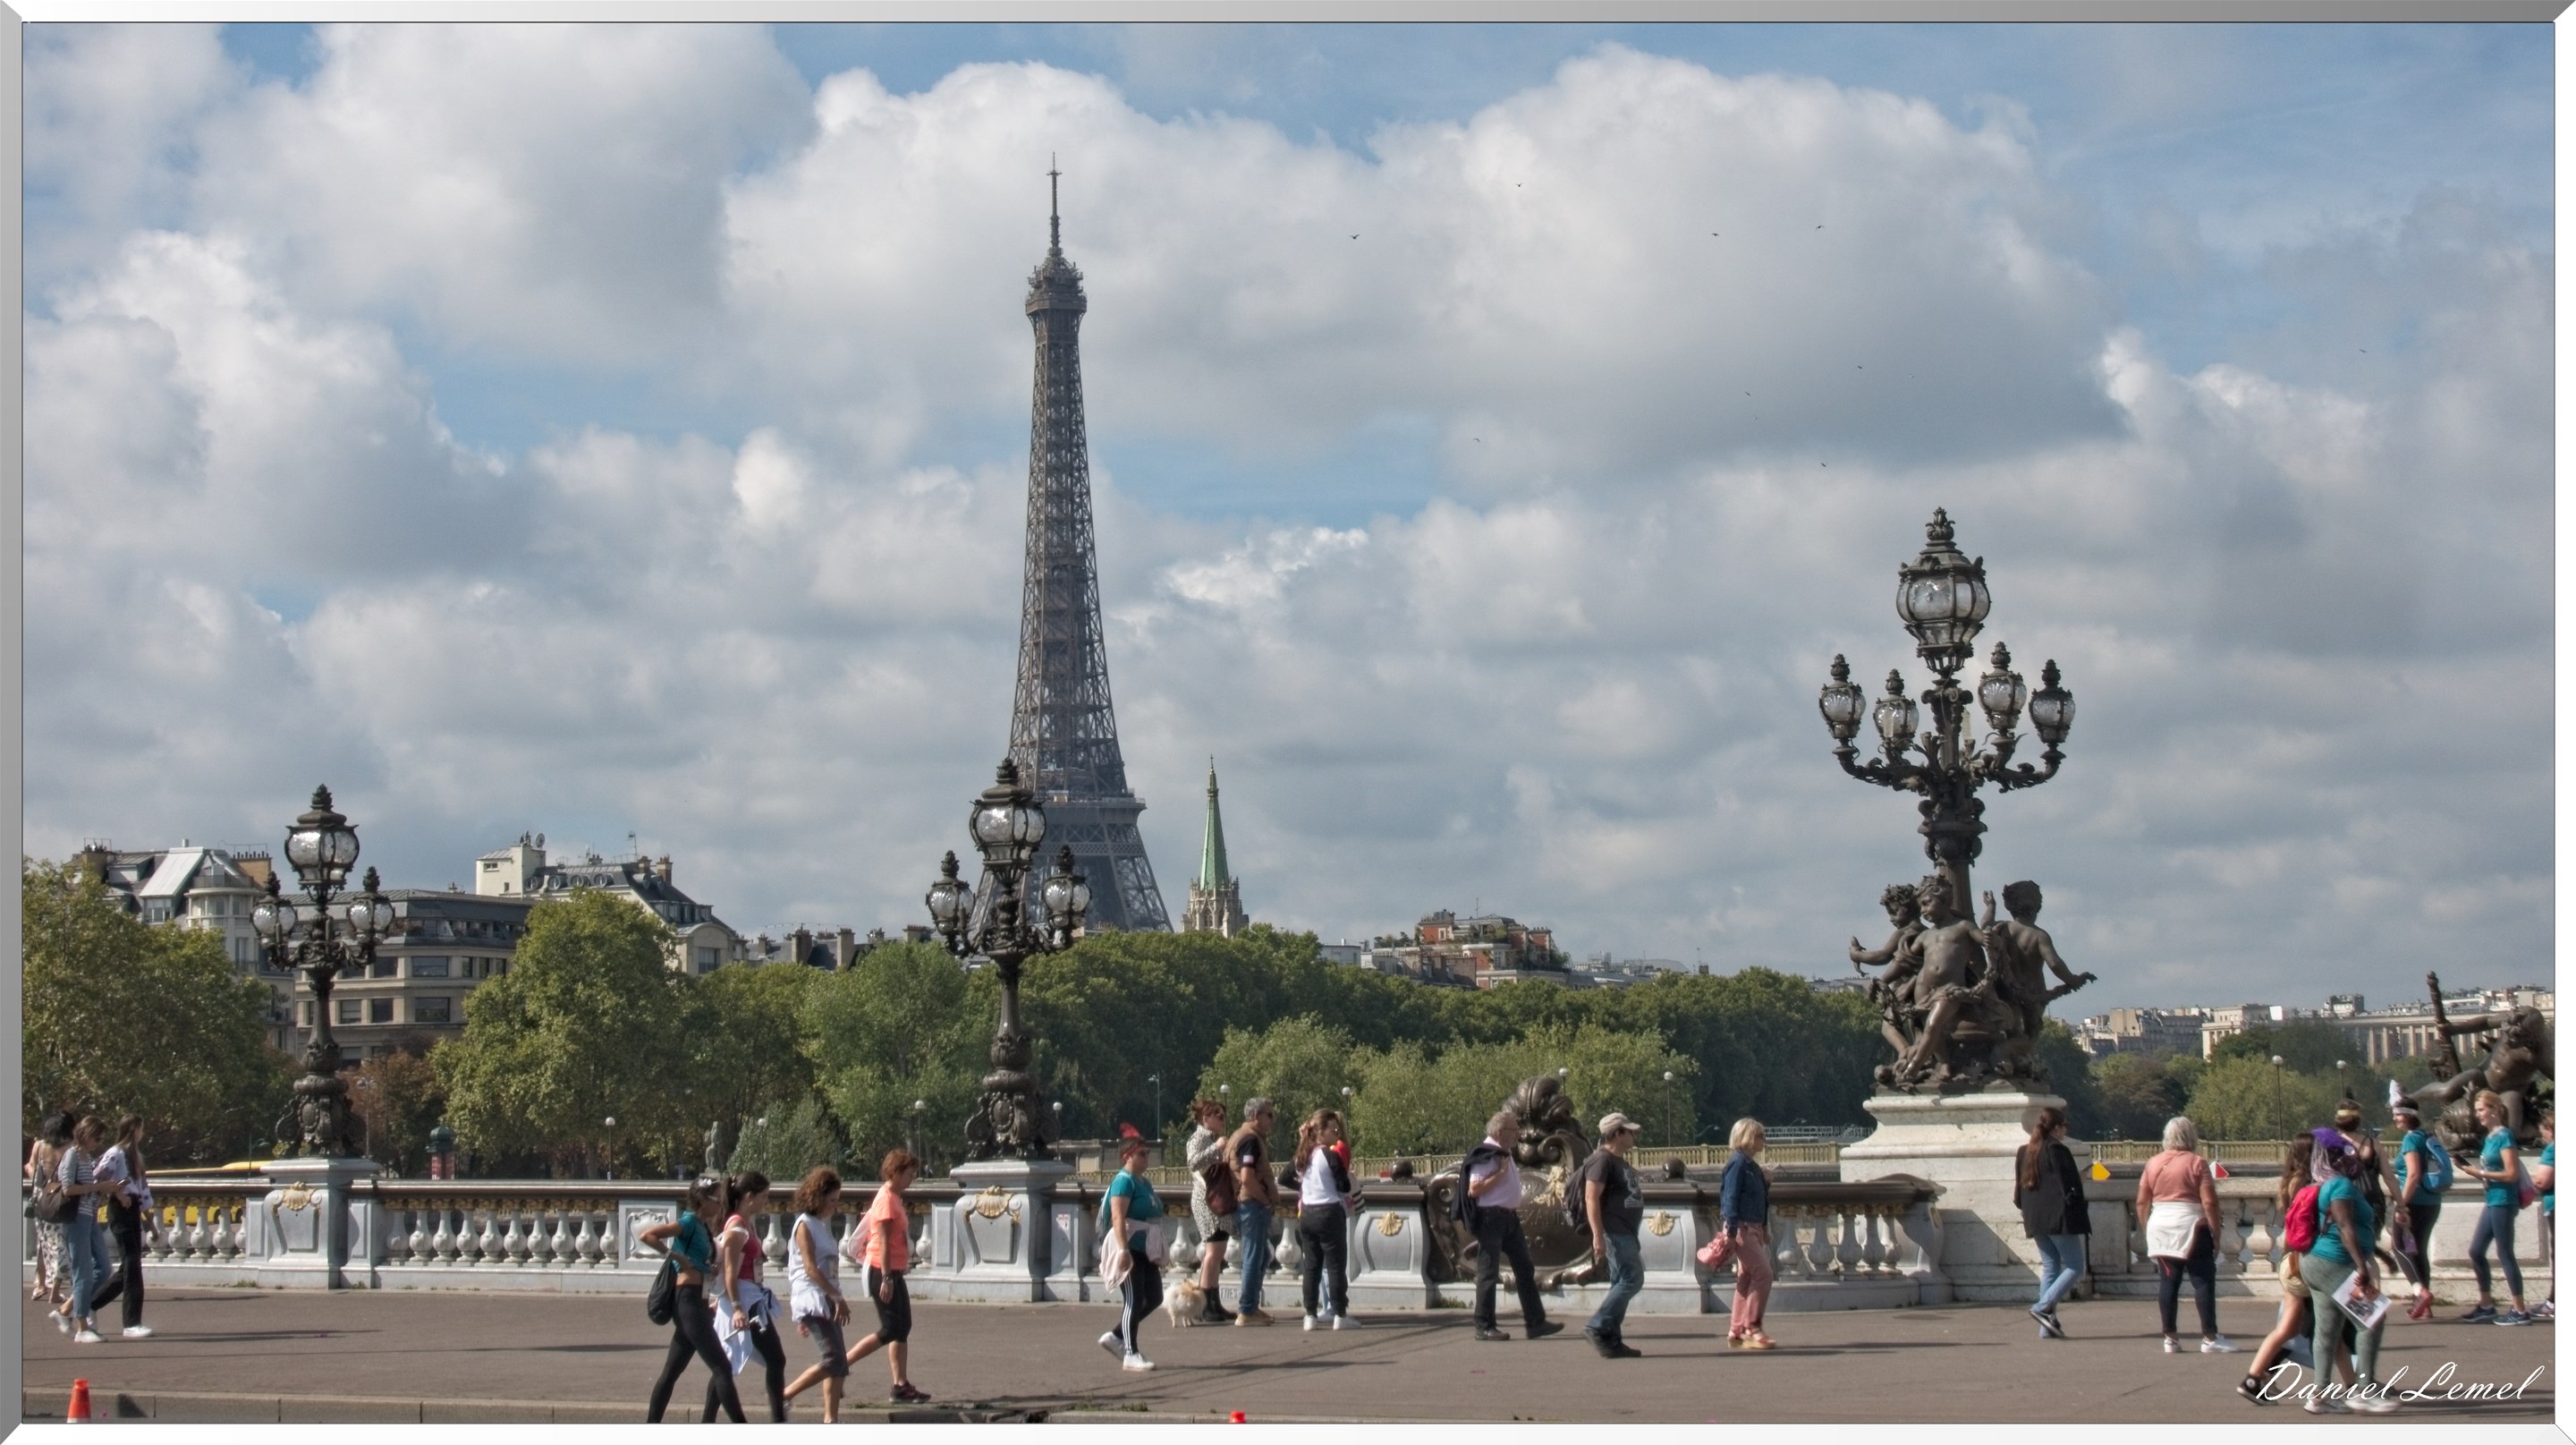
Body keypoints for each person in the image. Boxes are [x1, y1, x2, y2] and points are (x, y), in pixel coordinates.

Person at [2238, 1135, 2357, 1406]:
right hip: (2305, 1261)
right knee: (2294, 1329)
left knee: (2325, 1327)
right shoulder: (2306, 1183)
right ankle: (2253, 1378)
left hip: (2295, 1258)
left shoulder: (2292, 1180)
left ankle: (2352, 1386)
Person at [2302, 1130, 2398, 1415]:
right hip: (2336, 1261)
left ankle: (2318, 1396)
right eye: (2345, 1152)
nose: (2351, 1156)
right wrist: (2361, 1266)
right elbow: (2346, 1228)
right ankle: (2363, 1391)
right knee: (2372, 1318)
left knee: (2327, 1329)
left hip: (2314, 1262)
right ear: (2337, 1157)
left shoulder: (2322, 1183)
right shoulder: (2342, 1186)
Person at [640, 1177, 746, 1424]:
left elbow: (702, 1259)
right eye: (715, 1199)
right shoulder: (688, 1222)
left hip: (698, 1302)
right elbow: (648, 1235)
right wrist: (676, 1256)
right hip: (686, 1301)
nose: (719, 1204)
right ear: (701, 1200)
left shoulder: (703, 1226)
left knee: (672, 1371)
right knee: (722, 1368)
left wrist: (710, 1268)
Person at [2135, 1116, 2233, 1355]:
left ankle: (2170, 1337)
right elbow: (2209, 1202)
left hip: (2161, 1224)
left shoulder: (2153, 1163)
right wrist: (2216, 1234)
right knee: (2202, 1281)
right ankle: (2210, 1337)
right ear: (2191, 1137)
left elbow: (2141, 1202)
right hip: (2191, 1224)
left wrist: (2148, 1228)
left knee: (2168, 1282)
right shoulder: (2197, 1163)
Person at [1462, 1109, 1561, 1343]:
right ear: (1499, 1132)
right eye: (1513, 1130)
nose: (1518, 1134)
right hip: (1490, 1218)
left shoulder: (1503, 1152)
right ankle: (1484, 1326)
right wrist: (1500, 1173)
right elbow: (1474, 1189)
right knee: (1488, 1273)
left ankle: (1536, 1323)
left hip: (1508, 1218)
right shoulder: (1486, 1154)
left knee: (1525, 1268)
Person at [843, 1150, 928, 1401]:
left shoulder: (894, 1196)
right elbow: (881, 1240)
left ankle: (900, 1385)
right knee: (891, 1328)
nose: (912, 1179)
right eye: (910, 1174)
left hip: (892, 1270)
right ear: (897, 1172)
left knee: (903, 1327)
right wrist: (888, 1278)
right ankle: (841, 1364)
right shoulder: (886, 1200)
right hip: (882, 1271)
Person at [703, 1172, 787, 1422]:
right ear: (749, 1197)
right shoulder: (737, 1226)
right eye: (764, 1196)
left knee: (727, 1364)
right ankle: (778, 1420)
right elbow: (730, 1272)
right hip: (745, 1301)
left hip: (749, 1297)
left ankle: (707, 1421)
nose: (766, 1201)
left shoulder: (743, 1223)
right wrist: (737, 1307)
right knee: (770, 1359)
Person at [778, 1168, 852, 1423]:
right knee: (833, 1359)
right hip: (814, 1297)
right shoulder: (804, 1224)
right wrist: (837, 1298)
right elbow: (809, 1268)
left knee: (839, 1361)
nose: (835, 1205)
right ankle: (785, 1394)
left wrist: (835, 1296)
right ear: (818, 1197)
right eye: (832, 1200)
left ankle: (831, 1419)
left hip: (826, 1297)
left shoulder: (820, 1225)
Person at [2012, 1105, 2089, 1339]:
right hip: (2058, 1218)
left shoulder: (2024, 1151)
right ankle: (2043, 1307)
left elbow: (2019, 1191)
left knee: (2051, 1266)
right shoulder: (2058, 1150)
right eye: (2064, 1126)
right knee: (2075, 1265)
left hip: (2034, 1218)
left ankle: (2046, 1326)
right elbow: (2070, 1187)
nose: (2065, 1130)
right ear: (2056, 1128)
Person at [2458, 1089, 2531, 1324]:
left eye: (2481, 1110)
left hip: (2503, 1200)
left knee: (2505, 1253)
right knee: (2476, 1251)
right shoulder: (2490, 1138)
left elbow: (2510, 1174)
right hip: (2492, 1199)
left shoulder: (2504, 1136)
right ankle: (2487, 1303)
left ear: (2494, 1110)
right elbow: (2494, 1173)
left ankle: (2520, 1310)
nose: (2478, 1115)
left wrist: (2478, 1172)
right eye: (2477, 1110)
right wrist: (2474, 1173)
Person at [85, 1114, 158, 1339]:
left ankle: (90, 1305)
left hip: (133, 1208)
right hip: (121, 1208)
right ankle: (131, 1322)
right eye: (141, 1128)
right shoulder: (116, 1153)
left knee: (128, 1268)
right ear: (134, 1129)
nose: (142, 1133)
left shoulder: (135, 1156)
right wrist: (117, 1191)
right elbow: (96, 1178)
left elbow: (143, 1190)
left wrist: (151, 1224)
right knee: (132, 1266)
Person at [1580, 1112, 1646, 1358]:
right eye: (1629, 1131)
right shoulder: (1602, 1161)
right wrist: (1598, 1235)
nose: (1634, 1135)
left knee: (1621, 1282)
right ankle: (1597, 1325)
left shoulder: (1618, 1161)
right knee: (1633, 1279)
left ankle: (1611, 1339)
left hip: (1626, 1230)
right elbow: (1591, 1197)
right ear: (1617, 1134)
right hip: (1615, 1231)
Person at [1097, 1137, 1166, 1371]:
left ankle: (1116, 1335)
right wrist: (1124, 1250)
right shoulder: (1123, 1182)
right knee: (1133, 1299)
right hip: (1128, 1247)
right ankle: (1130, 1353)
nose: (1147, 1157)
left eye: (1147, 1153)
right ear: (1127, 1156)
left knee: (1155, 1297)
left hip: (1144, 1247)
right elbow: (1118, 1217)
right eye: (1141, 1154)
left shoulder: (1143, 1182)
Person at [54, 1115, 120, 1345]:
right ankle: (82, 1325)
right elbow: (67, 1189)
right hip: (75, 1218)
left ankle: (67, 1309)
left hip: (90, 1217)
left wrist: (104, 1188)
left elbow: (87, 1187)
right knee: (82, 1272)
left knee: (103, 1269)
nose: (98, 1142)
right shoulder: (71, 1155)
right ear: (85, 1134)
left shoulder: (87, 1156)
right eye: (96, 1137)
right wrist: (97, 1186)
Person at [1294, 1109, 1360, 1331]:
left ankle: (1310, 1315)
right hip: (1329, 1210)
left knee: (1311, 1266)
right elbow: (1344, 1186)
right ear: (1321, 1132)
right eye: (1332, 1129)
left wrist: (1306, 1187)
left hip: (1308, 1213)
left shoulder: (1303, 1155)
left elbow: (1286, 1176)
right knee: (1335, 1265)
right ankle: (1339, 1313)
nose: (1336, 1132)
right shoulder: (1330, 1155)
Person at [1719, 1117, 1776, 1349]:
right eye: (1759, 1135)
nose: (1764, 1140)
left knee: (1746, 1278)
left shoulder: (1751, 1166)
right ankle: (1752, 1327)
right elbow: (1730, 1198)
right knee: (1764, 1274)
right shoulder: (1738, 1164)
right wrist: (1731, 1231)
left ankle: (1736, 1329)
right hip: (1742, 1228)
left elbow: (1754, 1198)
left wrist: (1763, 1228)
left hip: (1751, 1227)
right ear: (1747, 1138)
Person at [1182, 1099, 1236, 1323]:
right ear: (1206, 1119)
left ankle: (1214, 1302)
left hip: (1218, 1198)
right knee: (1212, 1252)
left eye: (1224, 1117)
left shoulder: (1211, 1138)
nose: (1222, 1121)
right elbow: (1193, 1163)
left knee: (1219, 1250)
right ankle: (1204, 1304)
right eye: (1219, 1117)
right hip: (1207, 1199)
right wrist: (1217, 1147)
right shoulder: (1199, 1138)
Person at [1229, 1097, 1282, 1327]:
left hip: (1247, 1204)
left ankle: (1250, 1306)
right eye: (1268, 1115)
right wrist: (1265, 1200)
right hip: (1252, 1205)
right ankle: (1247, 1308)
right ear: (1255, 1116)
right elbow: (1247, 1178)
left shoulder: (1241, 1136)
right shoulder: (1250, 1140)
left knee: (1261, 1256)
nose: (1273, 1120)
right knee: (1254, 1256)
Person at [2390, 1101, 2445, 1320]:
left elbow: (2413, 1174)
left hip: (2413, 1201)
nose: (2395, 1119)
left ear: (2407, 1115)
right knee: (2419, 1250)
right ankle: (2425, 1305)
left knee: (2399, 1246)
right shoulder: (2426, 1135)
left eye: (2397, 1115)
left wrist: (2401, 1203)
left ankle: (2420, 1291)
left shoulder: (2411, 1139)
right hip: (2432, 1201)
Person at [27, 1112, 72, 1310]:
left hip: (40, 1199)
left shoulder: (39, 1146)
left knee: (43, 1243)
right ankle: (55, 1287)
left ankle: (39, 1284)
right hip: (58, 1200)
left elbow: (31, 1169)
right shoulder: (69, 1149)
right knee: (60, 1244)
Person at [2532, 1109, 2555, 1320]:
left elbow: (2542, 1181)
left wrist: (2528, 1182)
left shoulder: (2552, 1150)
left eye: (2544, 1131)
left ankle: (2554, 1302)